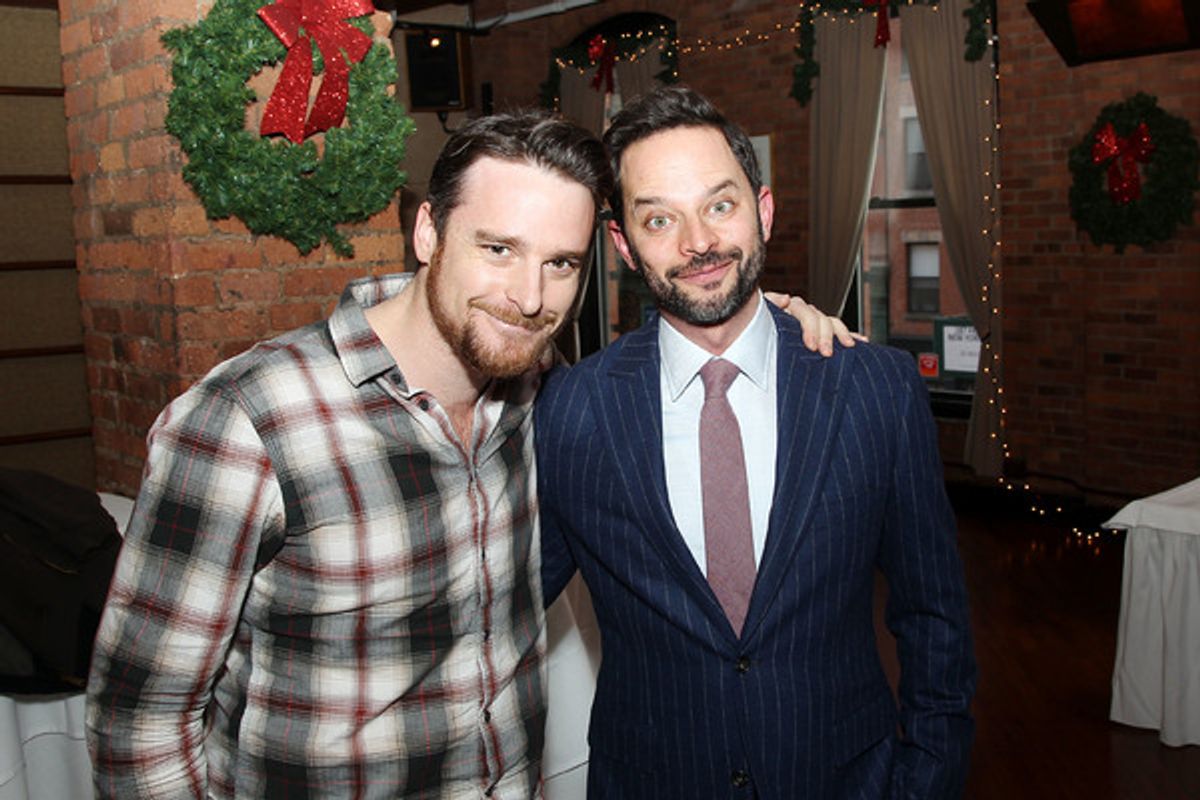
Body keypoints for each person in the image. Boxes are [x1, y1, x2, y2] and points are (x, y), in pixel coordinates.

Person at [85, 109, 849, 799]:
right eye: (497, 248)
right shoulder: (249, 420)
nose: (528, 296)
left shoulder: (543, 399)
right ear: (427, 233)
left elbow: (681, 365)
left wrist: (764, 324)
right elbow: (138, 726)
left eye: (561, 263)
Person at [535, 86, 977, 799]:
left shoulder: (876, 390)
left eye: (720, 205)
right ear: (622, 244)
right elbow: (500, 606)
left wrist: (924, 777)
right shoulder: (570, 411)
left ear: (762, 210)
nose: (698, 243)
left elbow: (935, 618)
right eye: (658, 218)